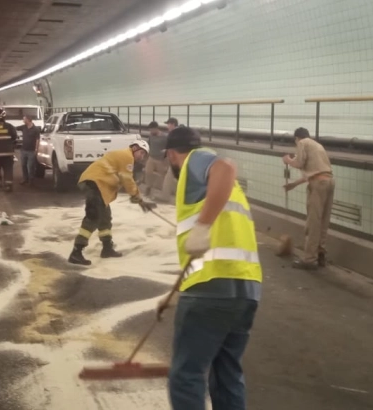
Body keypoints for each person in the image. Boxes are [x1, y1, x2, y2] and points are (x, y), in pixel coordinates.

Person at [156, 127, 261, 410]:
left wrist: (201, 226)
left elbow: (226, 167)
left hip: (210, 289)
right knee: (227, 373)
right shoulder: (217, 191)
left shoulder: (195, 160)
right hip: (246, 288)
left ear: (170, 154)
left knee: (186, 374)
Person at [68, 141, 157, 266]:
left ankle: (107, 249)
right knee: (93, 217)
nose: (142, 157)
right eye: (142, 153)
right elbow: (127, 180)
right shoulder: (127, 156)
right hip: (95, 183)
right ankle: (76, 252)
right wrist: (139, 199)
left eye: (144, 155)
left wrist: (137, 198)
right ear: (135, 148)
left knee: (105, 218)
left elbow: (123, 180)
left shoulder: (124, 156)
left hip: (99, 186)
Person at [282, 127, 335, 270]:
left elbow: (299, 163)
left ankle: (309, 259)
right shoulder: (317, 146)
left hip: (318, 185)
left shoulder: (302, 143)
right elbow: (313, 173)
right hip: (329, 182)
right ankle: (321, 254)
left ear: (296, 138)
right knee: (323, 220)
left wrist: (288, 160)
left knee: (313, 222)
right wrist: (293, 184)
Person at [143, 121, 169, 197]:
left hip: (160, 160)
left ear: (156, 129)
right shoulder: (151, 136)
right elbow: (148, 145)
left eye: (152, 130)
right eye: (150, 130)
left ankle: (162, 191)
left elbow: (168, 147)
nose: (150, 131)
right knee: (148, 172)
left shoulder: (164, 137)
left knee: (162, 175)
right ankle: (148, 187)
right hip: (151, 158)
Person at [18, 114, 42, 185]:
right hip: (23, 150)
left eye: (24, 119)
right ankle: (25, 179)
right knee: (23, 165)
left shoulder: (36, 129)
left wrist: (36, 149)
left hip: (31, 151)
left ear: (28, 120)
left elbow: (37, 140)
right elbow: (14, 128)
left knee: (30, 166)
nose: (23, 120)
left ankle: (31, 180)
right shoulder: (23, 127)